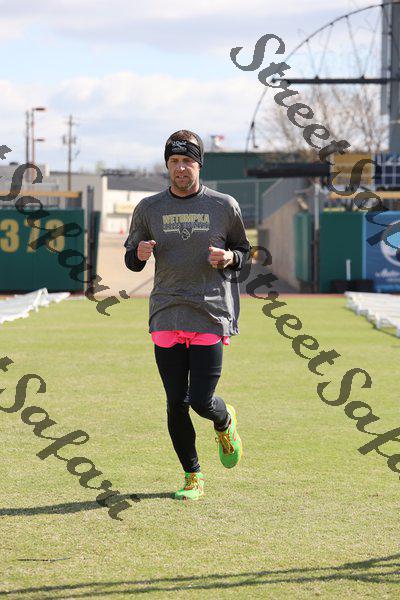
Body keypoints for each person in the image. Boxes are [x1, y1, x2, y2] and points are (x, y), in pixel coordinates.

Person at [124, 129, 251, 501]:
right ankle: (192, 476)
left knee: (200, 400)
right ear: (167, 165)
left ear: (199, 164)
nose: (181, 168)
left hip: (210, 311)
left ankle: (224, 420)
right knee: (175, 401)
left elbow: (244, 254)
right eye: (174, 161)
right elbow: (131, 260)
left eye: (187, 161)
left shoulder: (224, 206)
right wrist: (138, 255)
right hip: (166, 312)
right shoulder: (148, 208)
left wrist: (229, 257)